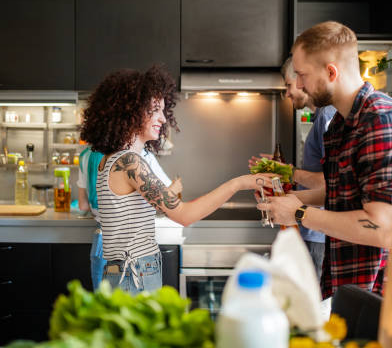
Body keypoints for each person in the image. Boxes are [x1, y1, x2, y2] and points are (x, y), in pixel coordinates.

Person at [261, 21, 392, 300]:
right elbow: (341, 193)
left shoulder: (382, 121)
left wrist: (300, 214)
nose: (299, 84)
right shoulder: (342, 124)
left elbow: (385, 228)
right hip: (353, 288)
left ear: (331, 72)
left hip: (387, 297)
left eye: (302, 74)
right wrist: (292, 201)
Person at [80, 64, 270, 295]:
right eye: (155, 110)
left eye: (163, 110)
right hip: (133, 275)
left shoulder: (111, 159)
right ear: (131, 111)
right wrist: (240, 183)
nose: (163, 118)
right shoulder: (129, 162)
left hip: (126, 273)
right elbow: (185, 215)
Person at [248, 56, 336, 282]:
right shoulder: (320, 118)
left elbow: (329, 183)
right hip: (312, 228)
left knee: (313, 303)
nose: (288, 92)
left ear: (302, 79)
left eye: (288, 84)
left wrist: (289, 173)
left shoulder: (327, 116)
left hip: (319, 234)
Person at [77, 145, 181, 290]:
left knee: (104, 308)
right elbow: (165, 198)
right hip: (133, 253)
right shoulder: (138, 157)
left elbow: (83, 205)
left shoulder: (86, 155)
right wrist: (176, 187)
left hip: (102, 243)